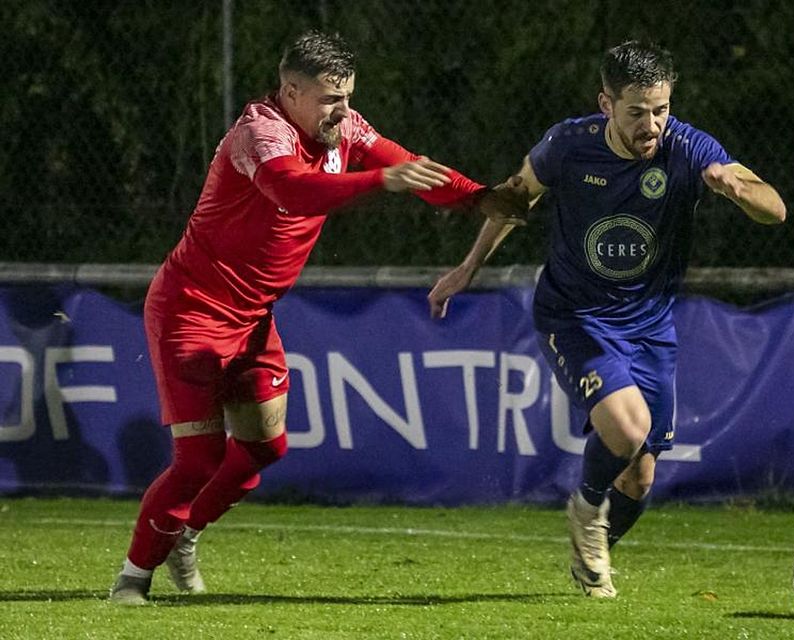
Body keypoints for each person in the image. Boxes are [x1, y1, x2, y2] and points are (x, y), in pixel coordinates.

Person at [109, 30, 525, 605]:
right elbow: (292, 191)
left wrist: (479, 197)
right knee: (199, 458)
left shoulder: (342, 129)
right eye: (331, 98)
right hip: (192, 312)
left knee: (262, 451)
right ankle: (132, 578)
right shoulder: (260, 133)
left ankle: (183, 535)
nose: (344, 110)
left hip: (253, 318)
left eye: (348, 95)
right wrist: (381, 180)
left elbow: (410, 166)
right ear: (290, 90)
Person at [428, 40, 786, 598]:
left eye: (661, 109)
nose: (652, 125)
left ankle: (591, 554)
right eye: (637, 111)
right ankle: (586, 508)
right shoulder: (568, 145)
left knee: (641, 474)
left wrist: (739, 189)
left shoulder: (689, 148)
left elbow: (776, 209)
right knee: (626, 426)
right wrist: (468, 266)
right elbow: (515, 199)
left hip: (650, 325)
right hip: (573, 313)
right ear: (607, 104)